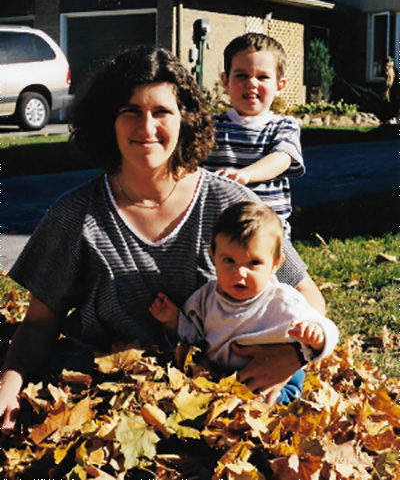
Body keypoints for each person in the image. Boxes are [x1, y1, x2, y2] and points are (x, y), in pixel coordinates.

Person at [0, 45, 325, 434]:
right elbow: (37, 325)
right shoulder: (74, 215)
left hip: (213, 397)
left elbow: (309, 298)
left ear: (185, 120)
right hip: (100, 399)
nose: (146, 128)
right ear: (109, 120)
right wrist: (9, 384)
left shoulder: (232, 203)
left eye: (162, 112)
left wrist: (292, 355)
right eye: (131, 111)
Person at [150, 201, 339, 404]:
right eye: (229, 261)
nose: (240, 273)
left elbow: (329, 328)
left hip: (275, 381)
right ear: (213, 257)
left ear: (275, 264)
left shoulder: (283, 300)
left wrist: (317, 335)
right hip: (223, 376)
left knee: (265, 402)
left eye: (254, 263)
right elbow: (193, 335)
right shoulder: (205, 298)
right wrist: (174, 321)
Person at [205, 33, 305, 238]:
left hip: (268, 236)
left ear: (279, 86)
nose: (251, 83)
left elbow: (282, 158)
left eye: (262, 77)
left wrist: (246, 174)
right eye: (241, 75)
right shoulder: (210, 127)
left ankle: (295, 272)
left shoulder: (283, 126)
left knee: (290, 271)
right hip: (219, 235)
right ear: (226, 81)